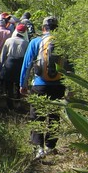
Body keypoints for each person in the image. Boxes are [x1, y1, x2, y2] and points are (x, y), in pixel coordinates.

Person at [19, 16, 67, 159]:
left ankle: (39, 148)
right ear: (57, 28)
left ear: (43, 28)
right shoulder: (63, 43)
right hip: (59, 86)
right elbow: (70, 67)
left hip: (40, 85)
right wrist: (71, 88)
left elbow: (27, 65)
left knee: (37, 116)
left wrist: (23, 84)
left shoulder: (36, 42)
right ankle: (50, 146)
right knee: (54, 116)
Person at [0, 24, 29, 110]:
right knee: (19, 85)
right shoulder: (26, 43)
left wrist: (0, 68)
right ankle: (18, 103)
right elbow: (27, 59)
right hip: (20, 66)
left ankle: (9, 105)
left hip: (9, 64)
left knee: (9, 86)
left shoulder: (9, 41)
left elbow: (3, 55)